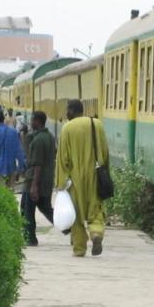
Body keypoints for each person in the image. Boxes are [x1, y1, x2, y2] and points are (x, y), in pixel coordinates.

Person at [56, 99, 109, 257]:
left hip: (75, 178)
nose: (66, 113)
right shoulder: (96, 124)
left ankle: (79, 249)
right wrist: (105, 173)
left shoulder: (67, 128)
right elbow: (105, 152)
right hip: (95, 174)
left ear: (72, 111)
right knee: (96, 208)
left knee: (76, 213)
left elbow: (63, 158)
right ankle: (96, 233)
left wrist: (60, 182)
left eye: (67, 110)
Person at [22, 111, 55, 246]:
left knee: (26, 210)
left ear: (37, 121)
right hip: (46, 180)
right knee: (46, 208)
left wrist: (34, 186)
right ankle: (70, 229)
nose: (30, 123)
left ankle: (30, 238)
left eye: (32, 120)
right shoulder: (49, 137)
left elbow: (37, 165)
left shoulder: (38, 140)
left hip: (34, 180)